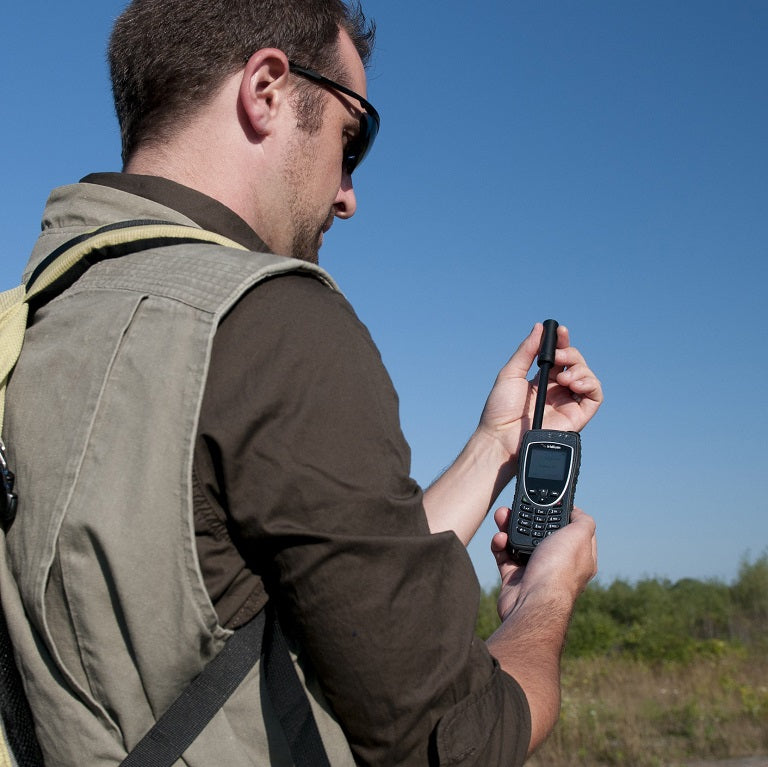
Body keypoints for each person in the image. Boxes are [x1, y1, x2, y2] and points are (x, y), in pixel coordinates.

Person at [0, 1, 602, 765]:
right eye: (352, 139)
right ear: (268, 90)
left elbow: (311, 578)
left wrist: (496, 446)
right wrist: (545, 595)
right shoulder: (273, 324)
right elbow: (458, 743)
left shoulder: (35, 323)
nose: (348, 195)